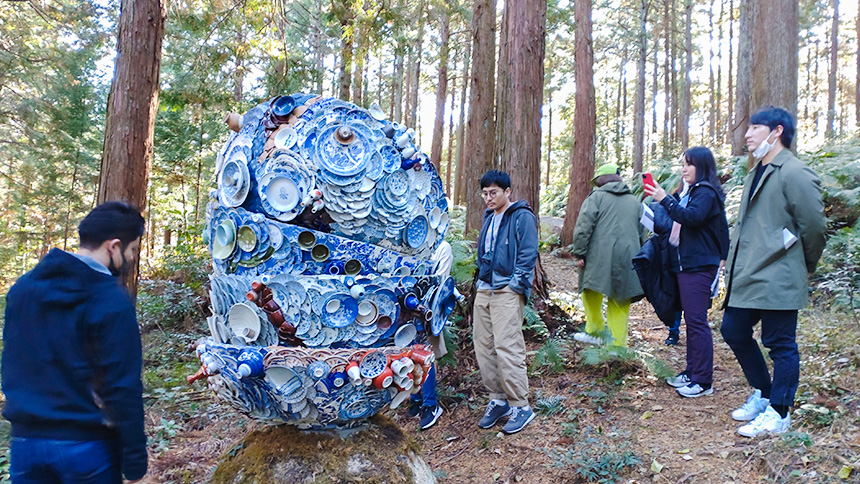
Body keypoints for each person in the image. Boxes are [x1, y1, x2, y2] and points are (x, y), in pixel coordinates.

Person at [2, 201, 148, 483]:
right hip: (86, 446)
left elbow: (12, 362)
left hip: (25, 444)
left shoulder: (23, 289)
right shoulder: (111, 300)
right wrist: (135, 465)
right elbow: (122, 386)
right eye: (131, 250)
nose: (130, 258)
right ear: (113, 247)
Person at [719, 107, 826, 437]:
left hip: (779, 275)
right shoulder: (757, 172)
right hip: (750, 274)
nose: (747, 134)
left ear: (776, 131)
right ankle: (764, 393)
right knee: (733, 329)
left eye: (754, 127)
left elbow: (815, 227)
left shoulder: (794, 172)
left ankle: (780, 413)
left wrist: (800, 264)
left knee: (780, 343)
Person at [645, 147, 730, 398]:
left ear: (701, 166)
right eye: (682, 164)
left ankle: (703, 380)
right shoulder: (691, 192)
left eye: (688, 165)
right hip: (686, 265)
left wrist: (664, 198)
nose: (683, 169)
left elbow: (691, 218)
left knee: (697, 322)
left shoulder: (705, 192)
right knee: (691, 321)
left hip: (699, 265)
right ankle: (692, 371)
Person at [473, 170, 539, 434]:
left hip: (506, 291)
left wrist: (514, 285)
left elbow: (528, 252)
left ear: (507, 191)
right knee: (484, 346)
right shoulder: (489, 216)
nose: (488, 198)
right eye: (485, 193)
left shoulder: (522, 216)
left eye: (494, 193)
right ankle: (498, 399)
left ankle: (521, 406)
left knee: (507, 346)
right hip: (485, 289)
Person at [571, 164, 644, 348]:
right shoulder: (635, 201)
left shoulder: (596, 198)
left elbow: (583, 227)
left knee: (589, 288)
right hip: (629, 255)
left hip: (598, 255)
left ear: (600, 181)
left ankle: (595, 331)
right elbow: (643, 232)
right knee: (621, 297)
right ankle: (617, 346)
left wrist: (579, 252)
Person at [406, 241, 452, 430]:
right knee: (408, 352)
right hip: (406, 306)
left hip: (427, 309)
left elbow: (441, 282)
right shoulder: (408, 242)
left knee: (425, 353)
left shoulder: (442, 247)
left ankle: (430, 405)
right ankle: (415, 397)